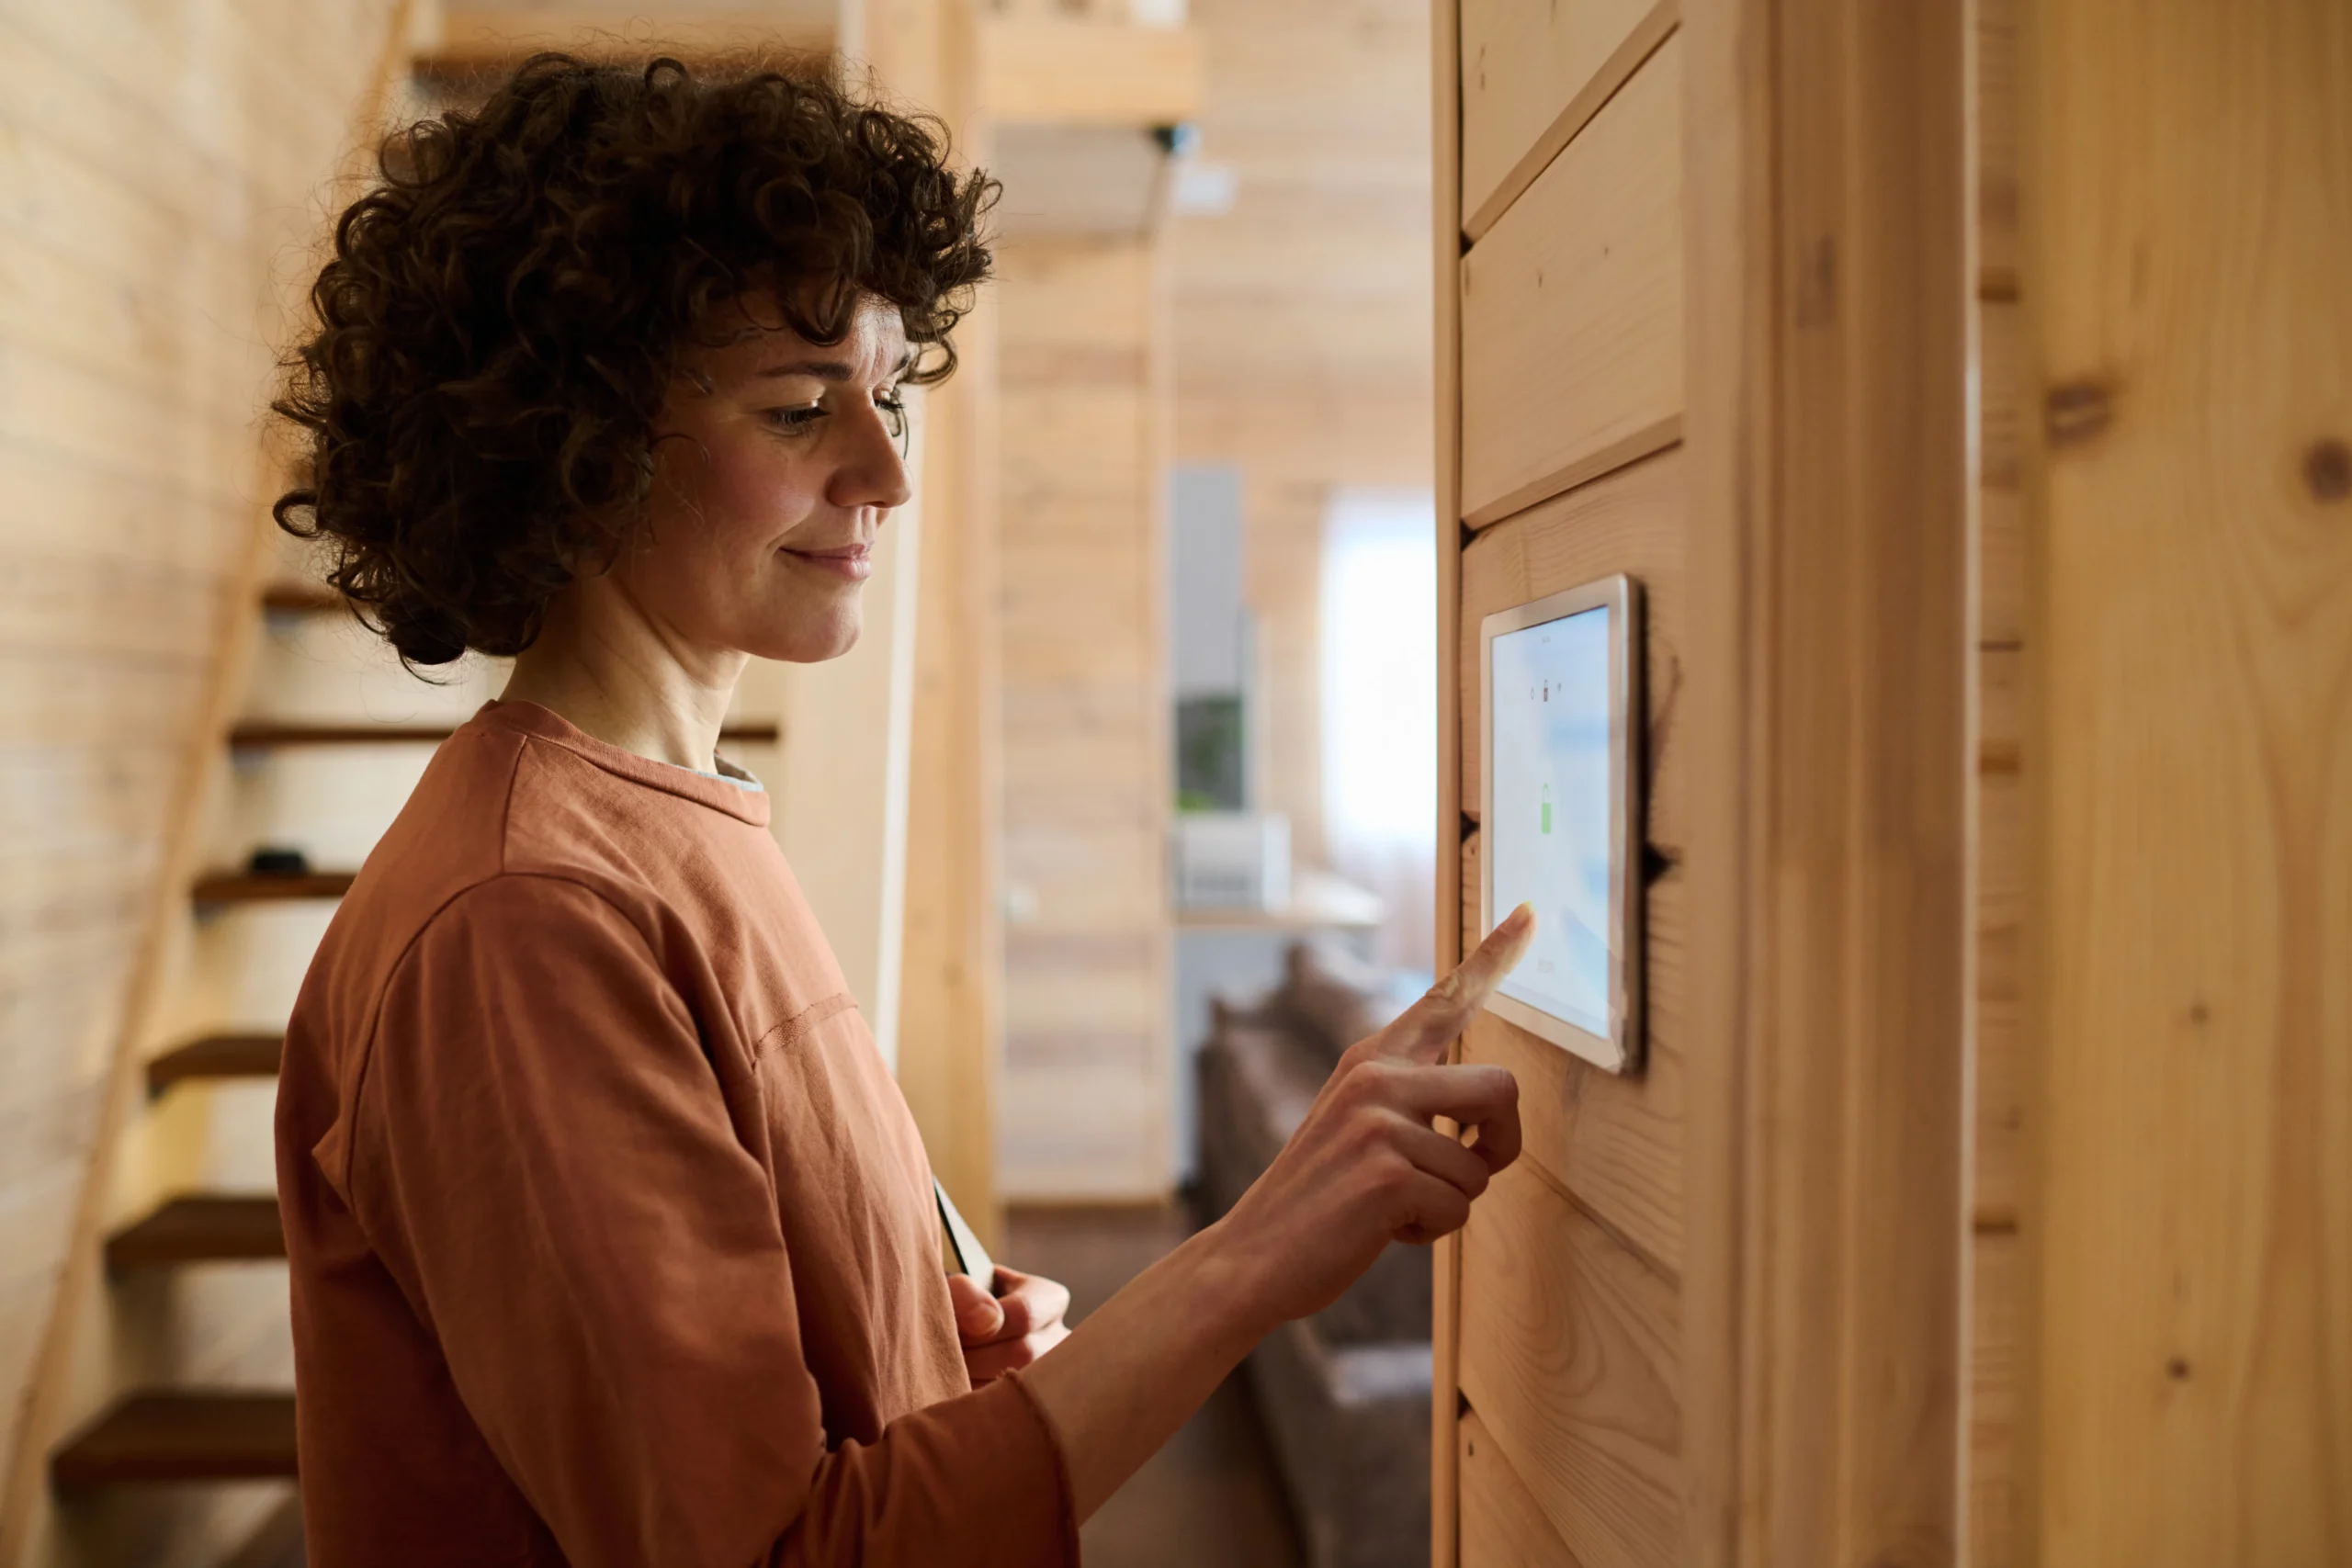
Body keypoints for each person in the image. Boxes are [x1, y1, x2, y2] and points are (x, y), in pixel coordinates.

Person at [270, 51, 1532, 1567]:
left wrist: (924, 1360)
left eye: (887, 400)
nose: (884, 472)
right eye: (803, 409)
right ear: (577, 448)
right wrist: (1258, 1251)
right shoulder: (524, 918)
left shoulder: (683, 816)